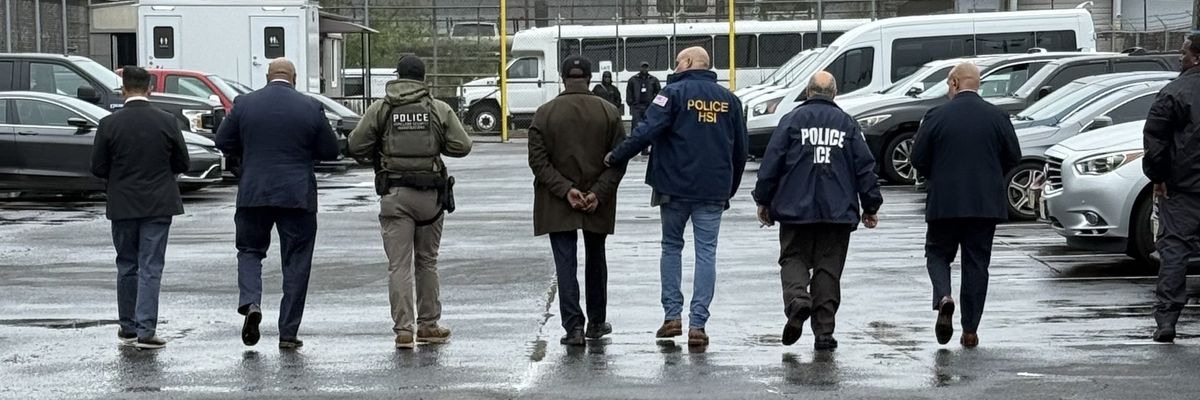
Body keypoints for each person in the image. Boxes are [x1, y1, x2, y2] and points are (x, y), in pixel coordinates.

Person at [606, 47, 748, 347]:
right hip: (713, 188)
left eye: (677, 62)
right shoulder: (731, 100)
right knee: (706, 253)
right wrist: (729, 188)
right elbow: (740, 149)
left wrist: (615, 156)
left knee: (671, 247)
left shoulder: (671, 94)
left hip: (673, 187)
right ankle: (698, 324)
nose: (675, 66)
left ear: (687, 63)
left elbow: (646, 130)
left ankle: (672, 317)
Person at [348, 54, 473, 349]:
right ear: (423, 78)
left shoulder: (382, 107)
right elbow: (463, 145)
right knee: (427, 262)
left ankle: (404, 331)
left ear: (397, 76)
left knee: (399, 266)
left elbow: (356, 144)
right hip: (431, 197)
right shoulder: (437, 108)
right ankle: (428, 325)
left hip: (395, 195)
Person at [215, 58, 340, 350]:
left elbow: (222, 140)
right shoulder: (309, 106)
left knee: (249, 251)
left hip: (254, 191)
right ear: (293, 78)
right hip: (297, 195)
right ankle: (288, 332)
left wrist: (246, 154)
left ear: (267, 76)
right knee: (296, 262)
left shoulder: (244, 103)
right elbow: (331, 150)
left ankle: (250, 302)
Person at [753, 72, 883, 351]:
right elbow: (864, 167)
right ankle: (824, 332)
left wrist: (763, 200)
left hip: (794, 209)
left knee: (793, 258)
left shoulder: (791, 120)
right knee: (828, 269)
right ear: (834, 94)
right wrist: (871, 205)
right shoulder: (847, 124)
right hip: (837, 212)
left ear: (808, 92)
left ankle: (798, 299)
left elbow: (771, 163)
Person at [910, 62, 1020, 349]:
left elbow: (917, 158)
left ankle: (944, 297)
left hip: (945, 202)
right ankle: (970, 330)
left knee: (937, 254)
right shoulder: (998, 116)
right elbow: (1013, 156)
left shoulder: (936, 115)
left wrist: (936, 173)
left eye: (949, 84)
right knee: (977, 265)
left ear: (956, 83)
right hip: (985, 204)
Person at [528, 55, 627, 346]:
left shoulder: (544, 113)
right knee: (596, 259)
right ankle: (596, 322)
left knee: (565, 263)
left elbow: (538, 161)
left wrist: (565, 189)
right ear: (590, 77)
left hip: (557, 201)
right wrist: (597, 192)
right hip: (599, 200)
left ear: (562, 78)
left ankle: (573, 328)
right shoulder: (608, 111)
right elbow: (619, 160)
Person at [90, 66, 190, 350]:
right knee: (150, 267)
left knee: (126, 265)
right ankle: (147, 330)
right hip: (159, 203)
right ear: (150, 89)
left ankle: (127, 327)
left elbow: (97, 167)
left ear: (123, 90)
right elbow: (182, 163)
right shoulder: (167, 121)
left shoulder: (109, 124)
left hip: (122, 203)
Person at [1143, 33, 1200, 343]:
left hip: (1182, 188)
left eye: (1184, 53)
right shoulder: (1175, 90)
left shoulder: (1174, 92)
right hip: (1183, 185)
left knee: (1175, 249)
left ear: (1196, 57)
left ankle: (1167, 319)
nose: (1180, 57)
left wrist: (1158, 176)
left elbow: (1155, 141)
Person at [626, 61, 661, 131]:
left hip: (649, 107)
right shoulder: (633, 80)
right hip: (637, 107)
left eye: (646, 67)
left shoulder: (653, 80)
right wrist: (632, 104)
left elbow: (659, 93)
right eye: (643, 67)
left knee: (649, 126)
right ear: (640, 68)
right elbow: (629, 93)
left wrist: (655, 105)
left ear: (648, 69)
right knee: (636, 127)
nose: (644, 69)